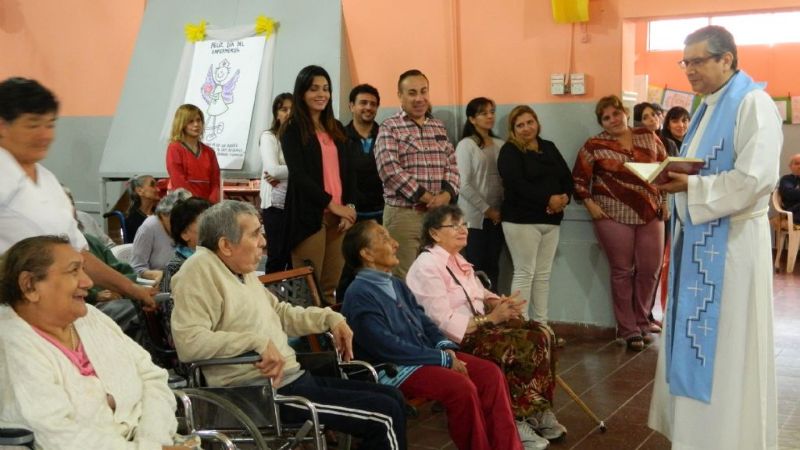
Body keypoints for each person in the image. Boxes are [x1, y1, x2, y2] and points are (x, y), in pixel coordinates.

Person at [170, 200, 406, 450]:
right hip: (260, 393)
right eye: (255, 234)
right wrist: (256, 342)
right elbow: (189, 343)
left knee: (393, 398)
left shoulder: (241, 270)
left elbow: (280, 314)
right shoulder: (197, 271)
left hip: (291, 379)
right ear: (226, 245)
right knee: (384, 415)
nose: (263, 241)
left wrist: (329, 318)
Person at [649, 25, 782, 450]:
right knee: (699, 343)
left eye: (697, 61)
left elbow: (755, 180)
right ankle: (695, 438)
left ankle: (729, 439)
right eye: (684, 62)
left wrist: (691, 188)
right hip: (700, 243)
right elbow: (700, 166)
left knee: (728, 352)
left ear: (727, 59)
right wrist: (676, 176)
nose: (689, 70)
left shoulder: (753, 103)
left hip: (735, 249)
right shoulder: (706, 108)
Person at [341, 220, 542, 450]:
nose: (395, 243)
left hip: (422, 358)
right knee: (461, 388)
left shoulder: (395, 284)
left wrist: (444, 345)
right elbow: (387, 347)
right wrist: (442, 359)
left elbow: (424, 321)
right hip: (393, 368)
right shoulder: (359, 293)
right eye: (385, 238)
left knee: (490, 374)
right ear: (366, 253)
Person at [0, 236, 194, 449]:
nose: (88, 282)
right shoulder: (12, 344)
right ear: (29, 285)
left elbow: (152, 377)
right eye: (74, 271)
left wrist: (154, 440)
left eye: (84, 270)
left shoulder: (91, 318)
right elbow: (56, 436)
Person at [406, 205, 566, 444]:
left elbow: (477, 292)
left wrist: (498, 301)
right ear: (435, 233)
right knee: (516, 346)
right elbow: (441, 322)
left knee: (541, 334)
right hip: (452, 339)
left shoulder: (456, 258)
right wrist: (491, 319)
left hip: (478, 327)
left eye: (464, 224)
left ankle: (535, 410)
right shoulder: (427, 266)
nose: (463, 230)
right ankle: (515, 418)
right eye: (455, 225)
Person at [0, 77, 156, 311]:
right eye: (33, 125)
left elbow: (78, 253)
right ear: (3, 125)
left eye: (50, 125)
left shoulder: (48, 181)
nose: (45, 135)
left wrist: (133, 289)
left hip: (59, 307)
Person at [572, 95, 668, 351]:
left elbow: (665, 171)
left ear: (625, 113)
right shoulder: (594, 144)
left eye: (616, 113)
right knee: (622, 272)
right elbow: (579, 180)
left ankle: (642, 319)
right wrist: (591, 205)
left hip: (650, 211)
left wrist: (665, 202)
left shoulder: (648, 136)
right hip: (612, 214)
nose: (613, 120)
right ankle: (627, 329)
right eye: (606, 117)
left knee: (650, 269)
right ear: (601, 122)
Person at [281, 65, 356, 305]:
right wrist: (332, 205)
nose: (321, 94)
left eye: (326, 89)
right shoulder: (292, 129)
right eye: (314, 89)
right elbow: (300, 177)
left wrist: (348, 208)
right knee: (307, 289)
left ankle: (327, 340)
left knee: (328, 287)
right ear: (301, 93)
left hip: (339, 217)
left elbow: (348, 173)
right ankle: (304, 342)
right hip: (309, 217)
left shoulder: (335, 128)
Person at [374, 69, 460, 279]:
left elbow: (452, 165)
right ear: (400, 96)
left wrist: (445, 196)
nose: (419, 98)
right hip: (404, 215)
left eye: (424, 91)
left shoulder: (437, 127)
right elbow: (389, 169)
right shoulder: (390, 127)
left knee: (437, 276)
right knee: (405, 277)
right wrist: (427, 197)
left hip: (438, 216)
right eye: (412, 93)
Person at [498, 106, 573, 322]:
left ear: (537, 123)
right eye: (520, 125)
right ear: (513, 129)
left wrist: (564, 199)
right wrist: (548, 200)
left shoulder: (548, 146)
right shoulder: (510, 151)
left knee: (542, 276)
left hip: (551, 219)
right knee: (524, 273)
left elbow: (566, 177)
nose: (526, 128)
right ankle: (520, 326)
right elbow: (516, 184)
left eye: (530, 122)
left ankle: (541, 325)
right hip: (521, 220)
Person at [455, 97, 505, 291]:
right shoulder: (466, 145)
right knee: (476, 267)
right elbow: (463, 184)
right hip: (475, 218)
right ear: (472, 119)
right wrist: (487, 210)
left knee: (494, 266)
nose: (490, 116)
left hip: (498, 216)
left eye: (492, 112)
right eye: (483, 113)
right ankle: (479, 313)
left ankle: (495, 310)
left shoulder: (500, 144)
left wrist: (498, 211)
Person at [259, 92, 293, 273]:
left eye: (292, 109)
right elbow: (273, 170)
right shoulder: (269, 137)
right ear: (276, 113)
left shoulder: (303, 138)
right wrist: (297, 171)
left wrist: (285, 172)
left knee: (294, 258)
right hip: (275, 206)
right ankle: (269, 300)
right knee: (277, 257)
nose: (288, 113)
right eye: (283, 109)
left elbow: (313, 169)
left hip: (296, 205)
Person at [166, 104, 221, 203]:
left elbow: (215, 182)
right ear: (181, 124)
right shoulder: (175, 148)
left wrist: (211, 204)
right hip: (185, 206)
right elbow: (178, 180)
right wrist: (193, 203)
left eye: (198, 120)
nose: (196, 124)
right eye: (190, 121)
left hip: (208, 206)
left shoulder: (209, 152)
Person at [346, 83, 385, 222]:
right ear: (351, 106)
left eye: (373, 104)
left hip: (383, 212)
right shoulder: (339, 137)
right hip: (349, 214)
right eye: (363, 103)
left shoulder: (387, 136)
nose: (369, 107)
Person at [131, 189, 191, 275]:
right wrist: (162, 276)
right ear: (165, 213)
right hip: (158, 284)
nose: (182, 222)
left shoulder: (186, 227)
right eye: (178, 217)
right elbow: (136, 268)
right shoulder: (149, 227)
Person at [159, 197, 212, 293]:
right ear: (185, 234)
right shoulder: (176, 268)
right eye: (205, 222)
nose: (213, 227)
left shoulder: (218, 258)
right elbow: (169, 306)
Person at [125, 174, 161, 243]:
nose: (158, 189)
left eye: (157, 185)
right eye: (152, 185)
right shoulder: (131, 220)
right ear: (140, 191)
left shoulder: (161, 214)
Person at [777, 154, 800, 223]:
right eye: (797, 163)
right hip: (794, 213)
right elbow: (789, 194)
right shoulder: (787, 179)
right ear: (790, 166)